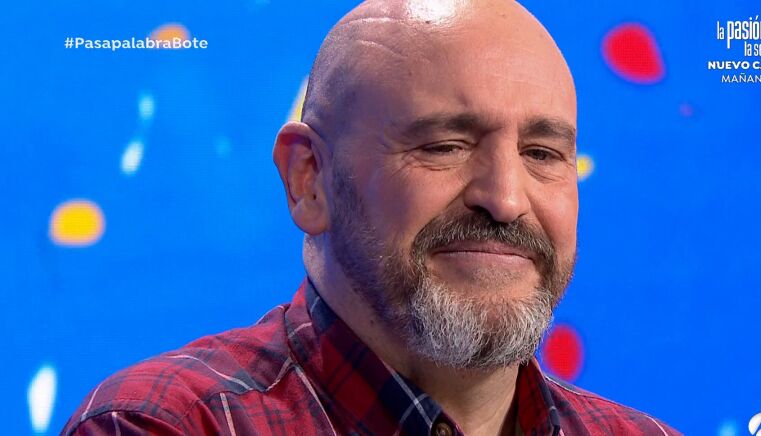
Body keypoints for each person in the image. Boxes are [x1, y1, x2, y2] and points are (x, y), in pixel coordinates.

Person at [62, 0, 680, 434]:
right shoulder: (163, 426)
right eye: (444, 145)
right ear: (308, 178)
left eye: (542, 154)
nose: (506, 198)